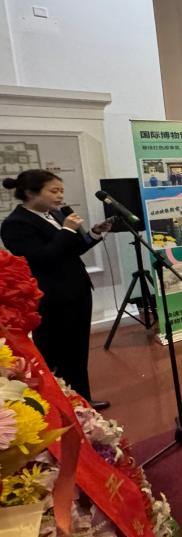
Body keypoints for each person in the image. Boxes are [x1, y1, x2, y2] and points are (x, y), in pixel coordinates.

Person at [1, 170, 113, 408]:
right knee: (56, 353)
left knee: (77, 351)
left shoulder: (54, 214)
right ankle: (62, 406)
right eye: (53, 191)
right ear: (30, 192)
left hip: (78, 291)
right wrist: (66, 230)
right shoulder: (15, 224)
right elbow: (41, 258)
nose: (60, 196)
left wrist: (94, 233)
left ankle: (83, 402)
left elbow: (72, 249)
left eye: (61, 190)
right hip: (52, 298)